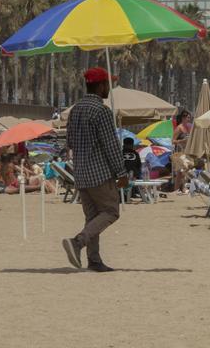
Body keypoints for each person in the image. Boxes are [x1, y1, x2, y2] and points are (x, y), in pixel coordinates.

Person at [61, 67, 128, 273]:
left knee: (92, 217)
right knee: (110, 211)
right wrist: (121, 172)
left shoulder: (75, 110)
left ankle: (94, 260)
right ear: (100, 86)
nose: (109, 87)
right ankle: (78, 242)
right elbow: (110, 145)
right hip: (99, 172)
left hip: (81, 173)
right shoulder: (101, 111)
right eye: (107, 84)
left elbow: (70, 141)